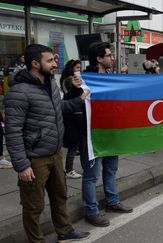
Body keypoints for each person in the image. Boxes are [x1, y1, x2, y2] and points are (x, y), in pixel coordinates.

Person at [4, 44, 90, 242]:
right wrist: (22, 165)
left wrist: (79, 99)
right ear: (35, 64)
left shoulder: (51, 84)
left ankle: (65, 231)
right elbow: (13, 132)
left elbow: (57, 108)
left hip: (54, 153)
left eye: (54, 59)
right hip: (34, 159)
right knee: (33, 205)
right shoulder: (19, 92)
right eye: (50, 60)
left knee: (60, 195)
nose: (54, 64)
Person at [81, 42, 133, 227]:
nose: (113, 58)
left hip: (111, 133)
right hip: (92, 136)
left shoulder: (111, 78)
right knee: (91, 175)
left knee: (111, 170)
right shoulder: (84, 79)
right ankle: (91, 211)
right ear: (99, 59)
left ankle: (112, 202)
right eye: (109, 55)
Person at [60, 59, 83, 179]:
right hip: (73, 112)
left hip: (73, 111)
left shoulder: (67, 79)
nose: (79, 70)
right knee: (74, 144)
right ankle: (69, 169)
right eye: (77, 68)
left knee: (76, 143)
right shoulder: (70, 80)